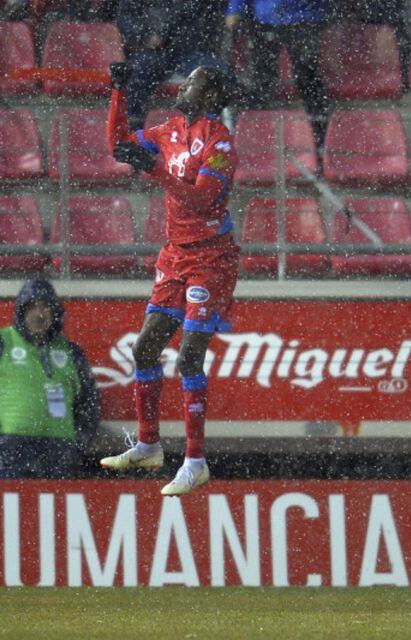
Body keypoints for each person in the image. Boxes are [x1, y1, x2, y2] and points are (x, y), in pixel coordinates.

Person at [101, 62, 239, 496]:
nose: (185, 84)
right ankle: (148, 444)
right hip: (174, 255)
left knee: (188, 358)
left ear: (212, 94)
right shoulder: (170, 129)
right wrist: (119, 93)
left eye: (196, 79)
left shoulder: (220, 144)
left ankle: (195, 461)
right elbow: (117, 145)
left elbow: (200, 198)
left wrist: (153, 170)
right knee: (144, 349)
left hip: (211, 259)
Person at [0, 279, 100, 479]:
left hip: (59, 450)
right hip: (12, 449)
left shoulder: (71, 352)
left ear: (55, 313)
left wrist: (78, 441)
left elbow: (89, 402)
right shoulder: (4, 343)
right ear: (21, 312)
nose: (38, 314)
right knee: (12, 509)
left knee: (58, 510)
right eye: (31, 307)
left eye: (45, 307)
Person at [226, 0, 331, 154]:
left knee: (308, 82)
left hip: (304, 18)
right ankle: (255, 149)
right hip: (265, 18)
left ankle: (321, 147)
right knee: (261, 84)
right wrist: (235, 8)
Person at [114, 0, 230, 130]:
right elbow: (126, 17)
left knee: (217, 75)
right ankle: (133, 128)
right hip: (153, 52)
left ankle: (210, 129)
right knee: (137, 73)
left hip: (190, 50)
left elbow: (211, 15)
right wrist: (146, 36)